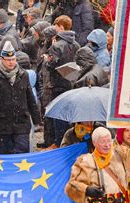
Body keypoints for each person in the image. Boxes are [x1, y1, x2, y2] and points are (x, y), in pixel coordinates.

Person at [0, 41, 41, 154]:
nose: (11, 62)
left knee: (21, 153)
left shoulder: (23, 74)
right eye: (8, 60)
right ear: (2, 59)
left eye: (13, 59)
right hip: (2, 122)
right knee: (3, 154)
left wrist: (36, 118)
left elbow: (30, 98)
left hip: (21, 122)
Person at [46, 17, 80, 147]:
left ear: (60, 26)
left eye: (55, 26)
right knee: (69, 116)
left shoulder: (57, 45)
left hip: (58, 84)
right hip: (71, 84)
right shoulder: (76, 45)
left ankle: (59, 142)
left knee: (58, 115)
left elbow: (50, 65)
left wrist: (46, 59)